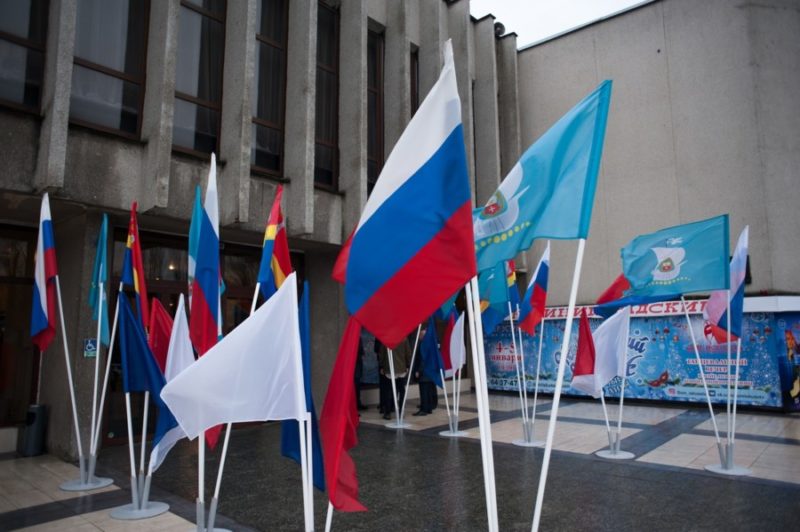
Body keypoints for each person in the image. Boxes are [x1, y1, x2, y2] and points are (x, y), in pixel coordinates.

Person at [378, 337, 413, 420]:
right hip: (401, 369)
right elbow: (408, 353)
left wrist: (381, 366)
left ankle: (387, 413)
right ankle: (401, 411)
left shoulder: (386, 338)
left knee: (389, 392)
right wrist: (408, 365)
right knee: (401, 391)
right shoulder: (404, 339)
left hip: (389, 369)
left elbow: (381, 353)